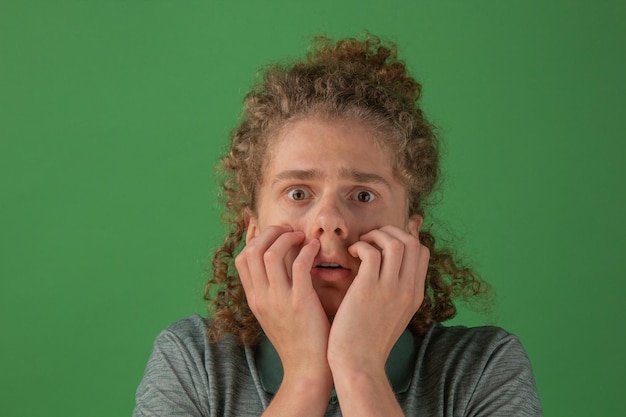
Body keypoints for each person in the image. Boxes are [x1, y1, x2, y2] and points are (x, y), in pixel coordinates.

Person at [133, 35, 542, 416]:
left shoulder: (483, 366)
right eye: (298, 193)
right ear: (252, 231)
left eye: (363, 195)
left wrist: (358, 368)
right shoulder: (192, 359)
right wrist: (306, 377)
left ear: (411, 233)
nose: (329, 221)